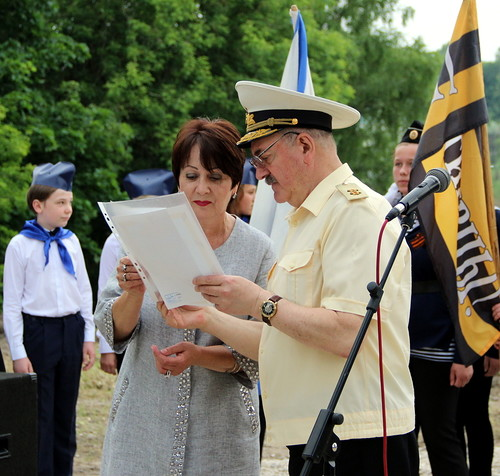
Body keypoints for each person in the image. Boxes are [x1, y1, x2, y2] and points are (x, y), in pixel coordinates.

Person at [157, 81, 418, 476]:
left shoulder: (356, 214)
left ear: (305, 146)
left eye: (264, 157)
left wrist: (259, 302)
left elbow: (347, 334)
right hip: (321, 436)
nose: (259, 173)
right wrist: (207, 318)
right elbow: (281, 339)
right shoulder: (309, 218)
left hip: (359, 437)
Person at [93, 118, 275, 475]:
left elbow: (267, 346)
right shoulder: (144, 231)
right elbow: (113, 330)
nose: (201, 188)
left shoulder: (258, 250)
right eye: (191, 176)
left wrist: (200, 354)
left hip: (221, 432)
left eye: (215, 177)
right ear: (178, 179)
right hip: (142, 420)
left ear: (235, 185)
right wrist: (133, 292)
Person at [386, 120, 472, 476]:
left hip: (438, 349)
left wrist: (463, 355)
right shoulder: (386, 212)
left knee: (442, 440)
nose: (404, 171)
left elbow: (463, 289)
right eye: (398, 163)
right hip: (397, 347)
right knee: (401, 440)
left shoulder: (447, 217)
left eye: (412, 164)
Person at [2, 161, 95, 476]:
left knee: (66, 412)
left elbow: (84, 290)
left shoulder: (71, 241)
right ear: (38, 205)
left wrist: (88, 337)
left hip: (71, 329)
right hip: (39, 333)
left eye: (69, 202)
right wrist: (18, 352)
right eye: (61, 202)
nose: (68, 209)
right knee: (40, 413)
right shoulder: (20, 245)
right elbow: (11, 304)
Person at [96, 168, 176, 375]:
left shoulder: (174, 237)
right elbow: (105, 291)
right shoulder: (115, 241)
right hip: (128, 325)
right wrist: (106, 347)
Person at [455, 208, 500, 476]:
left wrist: (495, 346)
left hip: (484, 333)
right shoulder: (442, 215)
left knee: (476, 413)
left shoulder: (493, 218)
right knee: (453, 418)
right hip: (452, 333)